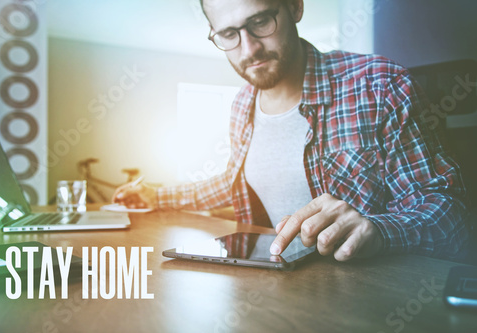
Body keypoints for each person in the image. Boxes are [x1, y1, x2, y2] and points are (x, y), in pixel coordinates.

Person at [113, 0, 470, 262]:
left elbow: (452, 216)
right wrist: (155, 196)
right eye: (228, 34)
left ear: (295, 7)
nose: (249, 48)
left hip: (369, 304)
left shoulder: (380, 85)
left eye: (261, 21)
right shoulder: (241, 105)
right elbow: (231, 181)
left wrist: (378, 230)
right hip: (275, 299)